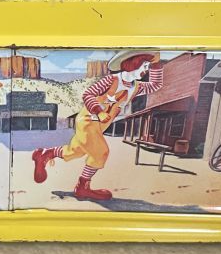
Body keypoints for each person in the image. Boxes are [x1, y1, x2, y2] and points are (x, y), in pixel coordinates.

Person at [32, 52, 164, 201]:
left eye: (148, 67)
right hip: (88, 120)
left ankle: (46, 154)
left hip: (100, 126)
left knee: (76, 151)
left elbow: (155, 85)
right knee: (101, 152)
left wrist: (156, 66)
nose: (146, 70)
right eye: (145, 66)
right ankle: (82, 187)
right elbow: (88, 94)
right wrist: (99, 112)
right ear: (133, 64)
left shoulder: (136, 87)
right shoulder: (111, 80)